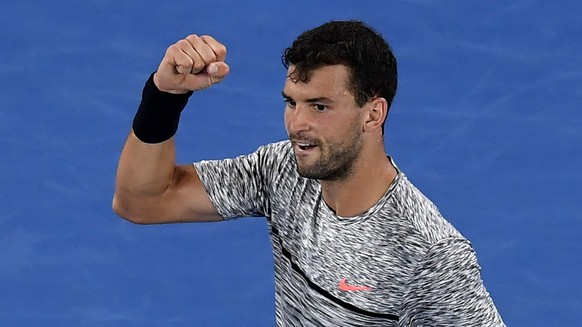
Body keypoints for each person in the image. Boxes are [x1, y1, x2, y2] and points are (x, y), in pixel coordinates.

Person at [113, 20, 505, 326]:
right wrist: (164, 96)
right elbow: (143, 201)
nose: (296, 124)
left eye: (319, 107)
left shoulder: (430, 254)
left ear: (373, 114)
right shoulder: (282, 170)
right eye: (291, 103)